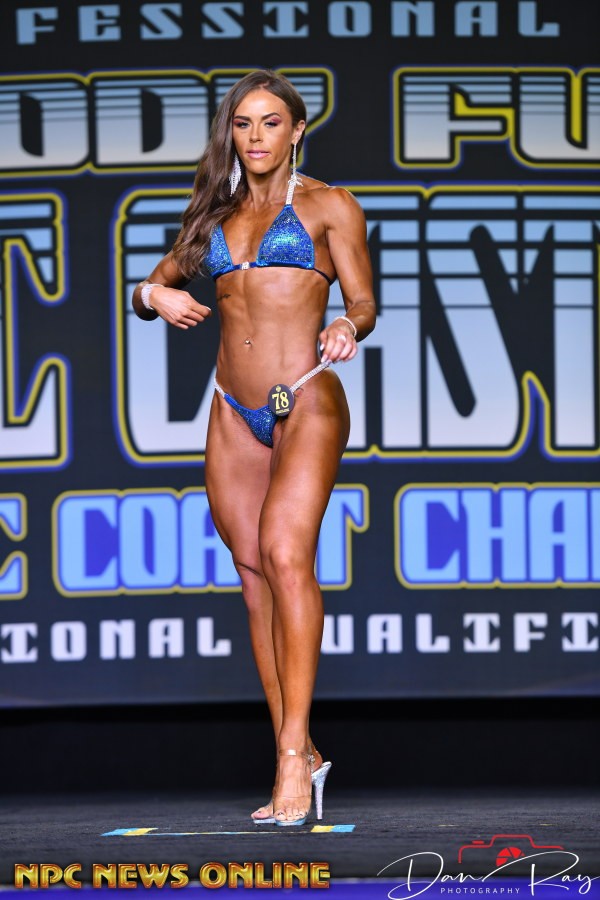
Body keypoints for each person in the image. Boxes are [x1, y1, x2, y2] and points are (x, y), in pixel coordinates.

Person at [132, 70, 376, 826]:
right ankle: (298, 749)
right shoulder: (217, 212)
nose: (256, 137)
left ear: (297, 130)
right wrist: (153, 295)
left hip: (305, 396)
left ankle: (290, 760)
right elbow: (153, 284)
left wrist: (347, 325)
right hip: (232, 409)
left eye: (271, 122)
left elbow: (364, 300)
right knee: (252, 579)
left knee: (284, 553)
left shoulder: (329, 206)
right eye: (243, 124)